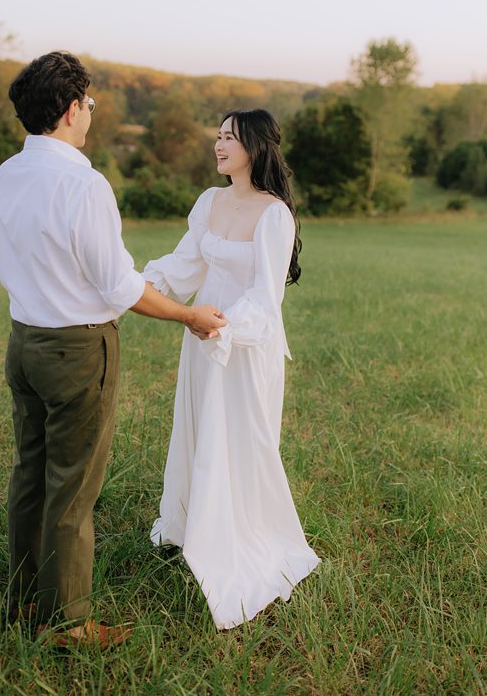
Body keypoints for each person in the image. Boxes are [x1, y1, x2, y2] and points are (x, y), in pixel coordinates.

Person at [0, 51, 225, 648]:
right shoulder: (82, 185)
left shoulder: (2, 178)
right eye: (88, 104)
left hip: (25, 344)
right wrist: (189, 313)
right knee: (73, 487)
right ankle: (65, 622)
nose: (90, 113)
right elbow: (119, 288)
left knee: (31, 475)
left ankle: (21, 602)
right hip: (76, 352)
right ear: (70, 110)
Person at [144, 108, 319, 630]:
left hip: (242, 345)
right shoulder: (209, 201)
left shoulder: (274, 215)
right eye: (217, 135)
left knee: (240, 439)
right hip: (199, 337)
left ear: (256, 147)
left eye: (229, 137)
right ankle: (193, 523)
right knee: (198, 430)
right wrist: (140, 285)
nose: (218, 145)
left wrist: (221, 328)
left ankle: (241, 538)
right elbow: (184, 265)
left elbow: (265, 301)